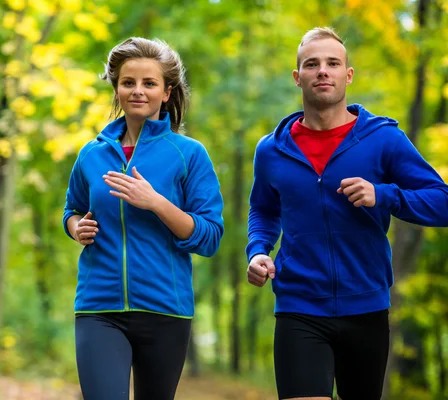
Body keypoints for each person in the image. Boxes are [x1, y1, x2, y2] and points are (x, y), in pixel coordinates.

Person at [246, 26, 448, 400]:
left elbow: (441, 201)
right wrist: (258, 249)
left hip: (366, 307)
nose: (323, 70)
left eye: (332, 63)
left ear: (347, 75)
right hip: (298, 306)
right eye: (312, 64)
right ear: (298, 77)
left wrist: (383, 194)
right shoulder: (271, 149)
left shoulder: (384, 139)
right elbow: (263, 209)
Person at [63, 37, 224, 400]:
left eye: (149, 83)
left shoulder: (188, 155)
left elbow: (210, 236)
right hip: (98, 307)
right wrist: (77, 228)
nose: (138, 91)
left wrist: (155, 202)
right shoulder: (92, 154)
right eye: (128, 82)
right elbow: (71, 209)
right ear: (116, 88)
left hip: (166, 309)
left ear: (167, 92)